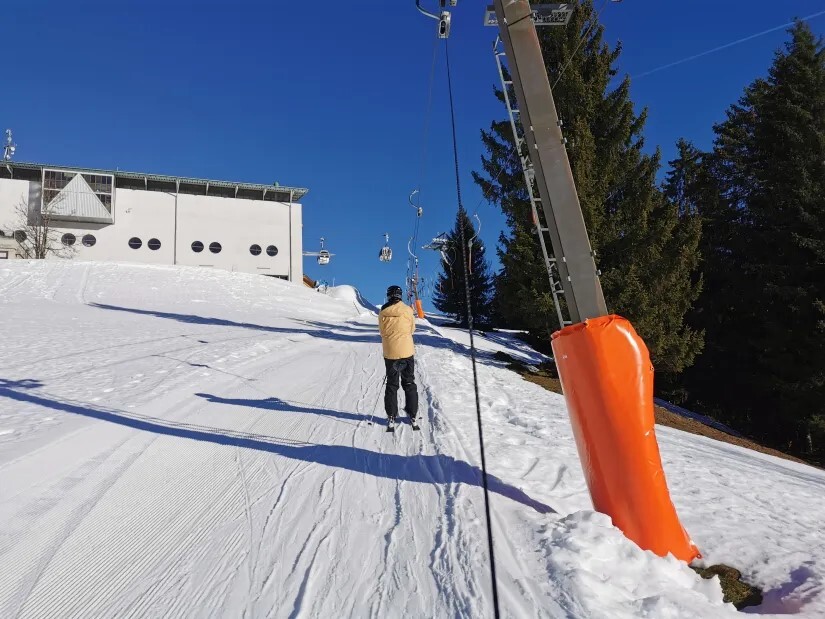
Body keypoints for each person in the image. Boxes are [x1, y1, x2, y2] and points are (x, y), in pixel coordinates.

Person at [378, 285, 418, 426]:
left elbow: (382, 331)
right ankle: (412, 413)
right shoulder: (408, 310)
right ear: (400, 296)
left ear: (389, 295)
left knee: (392, 384)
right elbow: (412, 328)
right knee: (409, 382)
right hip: (406, 351)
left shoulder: (383, 311)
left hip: (390, 352)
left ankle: (391, 414)